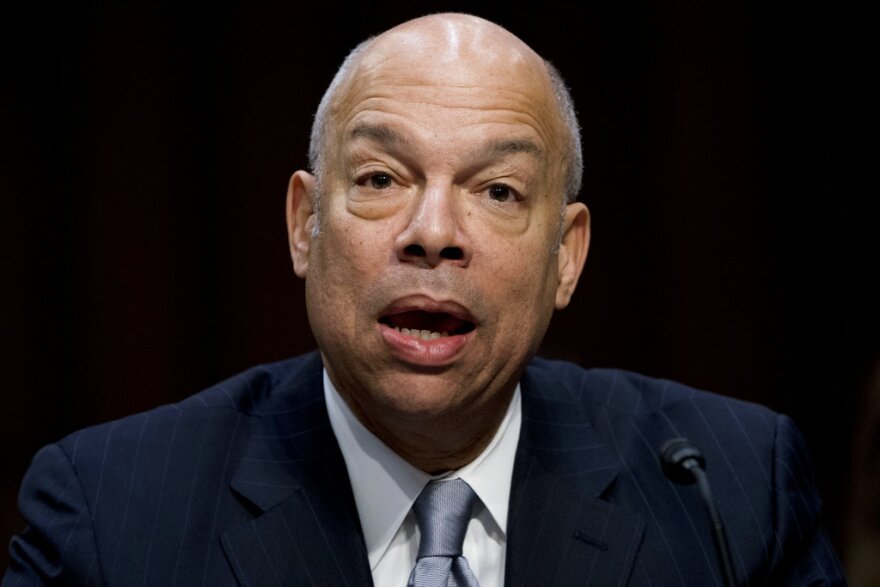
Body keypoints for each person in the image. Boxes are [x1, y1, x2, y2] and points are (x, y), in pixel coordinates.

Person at [3, 13, 845, 586]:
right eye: (380, 177)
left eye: (500, 191)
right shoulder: (109, 516)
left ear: (567, 254)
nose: (433, 230)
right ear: (304, 225)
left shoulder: (729, 493)